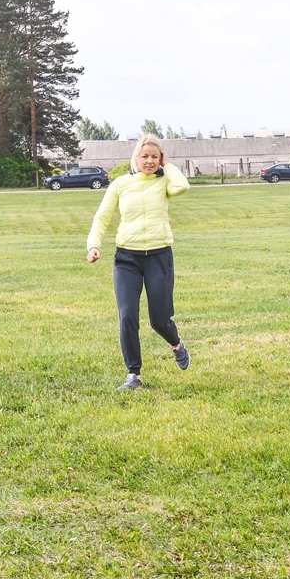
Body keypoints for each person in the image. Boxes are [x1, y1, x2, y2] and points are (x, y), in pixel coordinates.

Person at [87, 134, 191, 391]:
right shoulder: (121, 184)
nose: (149, 161)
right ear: (136, 157)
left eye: (155, 157)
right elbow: (102, 217)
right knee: (127, 316)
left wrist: (167, 166)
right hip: (127, 258)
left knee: (160, 320)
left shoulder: (165, 181)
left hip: (159, 256)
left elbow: (183, 186)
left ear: (161, 159)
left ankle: (176, 344)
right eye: (144, 156)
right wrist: (94, 245)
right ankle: (133, 375)